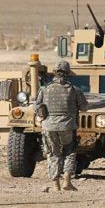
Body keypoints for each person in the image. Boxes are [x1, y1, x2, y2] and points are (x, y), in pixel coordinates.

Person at [34, 60, 88, 192]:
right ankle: (67, 182)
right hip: (67, 126)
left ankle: (55, 185)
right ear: (68, 72)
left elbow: (37, 107)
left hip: (49, 126)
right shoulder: (74, 90)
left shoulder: (45, 89)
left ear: (54, 73)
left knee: (53, 154)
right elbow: (84, 107)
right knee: (70, 152)